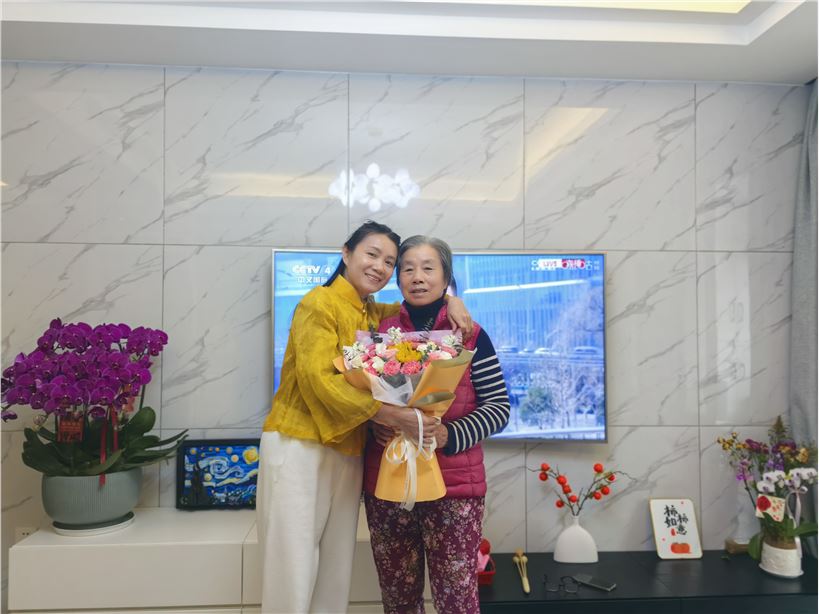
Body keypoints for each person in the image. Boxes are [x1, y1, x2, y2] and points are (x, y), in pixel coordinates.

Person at [257, 222, 473, 614]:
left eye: (389, 262)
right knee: (292, 568)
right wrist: (391, 415)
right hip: (299, 444)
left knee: (335, 569)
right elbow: (319, 382)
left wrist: (452, 299)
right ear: (346, 253)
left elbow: (419, 305)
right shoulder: (317, 303)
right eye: (372, 254)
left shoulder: (371, 312)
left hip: (347, 449)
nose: (380, 267)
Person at [363, 235, 511, 614]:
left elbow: (499, 408)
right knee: (398, 600)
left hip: (454, 490)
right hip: (389, 486)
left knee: (457, 601)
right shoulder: (380, 334)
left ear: (446, 278)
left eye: (428, 268)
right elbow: (359, 400)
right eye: (408, 269)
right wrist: (374, 424)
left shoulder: (470, 334)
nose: (417, 277)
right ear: (397, 278)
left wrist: (448, 434)